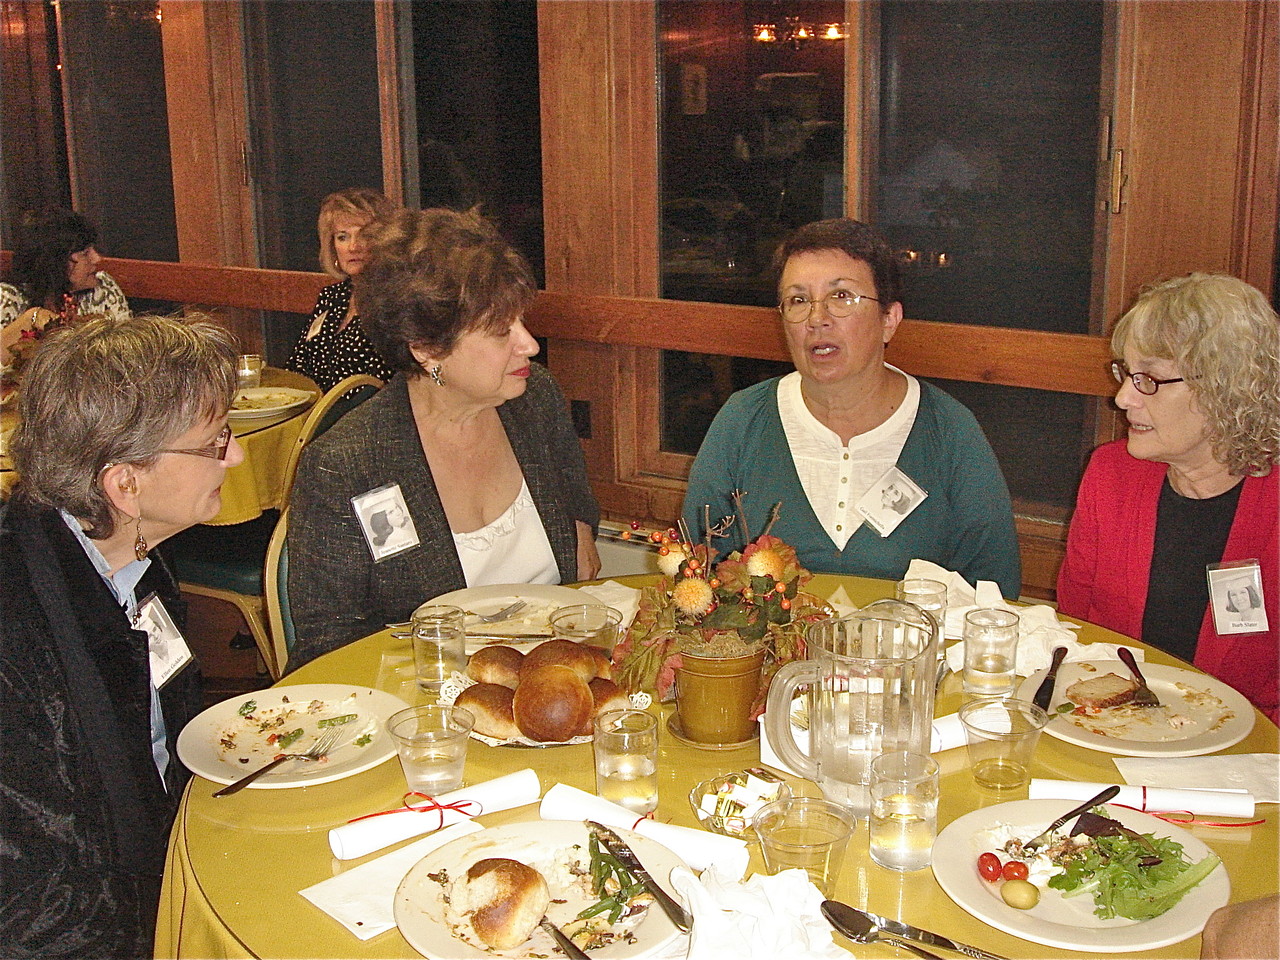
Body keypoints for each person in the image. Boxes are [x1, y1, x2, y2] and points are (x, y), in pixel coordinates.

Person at [0, 314, 243, 956]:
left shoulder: (135, 558)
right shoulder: (17, 628)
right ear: (123, 483)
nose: (237, 454)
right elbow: (30, 906)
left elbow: (169, 730)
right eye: (215, 441)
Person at [288, 207, 600, 669]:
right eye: (501, 332)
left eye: (522, 321)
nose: (529, 344)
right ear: (428, 349)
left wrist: (581, 530)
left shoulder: (534, 399)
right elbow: (330, 643)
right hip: (425, 708)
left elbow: (576, 506)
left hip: (552, 681)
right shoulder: (348, 464)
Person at [682, 217, 1021, 597]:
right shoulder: (744, 418)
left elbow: (994, 591)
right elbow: (697, 570)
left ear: (889, 319)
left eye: (841, 297)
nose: (817, 319)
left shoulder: (949, 430)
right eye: (798, 300)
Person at [1057, 273, 1278, 721]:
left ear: (1224, 389)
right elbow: (1077, 628)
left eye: (1150, 380)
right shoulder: (1111, 475)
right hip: (1120, 730)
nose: (1122, 399)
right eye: (1126, 374)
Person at [285, 187, 397, 392]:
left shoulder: (393, 302)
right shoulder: (332, 297)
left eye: (365, 236)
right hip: (314, 414)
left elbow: (386, 387)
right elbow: (297, 364)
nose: (354, 247)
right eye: (343, 237)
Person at [1, 207, 130, 365]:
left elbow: (128, 355)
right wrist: (33, 317)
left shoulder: (103, 288)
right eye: (85, 253)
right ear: (54, 261)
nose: (96, 259)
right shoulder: (8, 298)